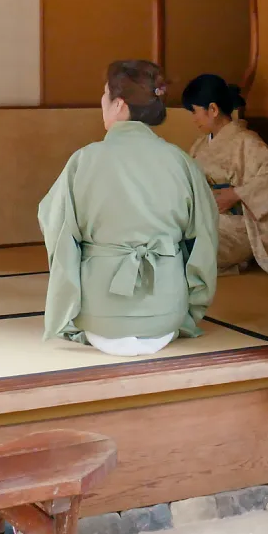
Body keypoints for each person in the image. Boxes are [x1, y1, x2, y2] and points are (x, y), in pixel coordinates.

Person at [38, 60, 218, 356]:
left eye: (105, 94)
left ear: (119, 104)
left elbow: (55, 227)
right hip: (165, 319)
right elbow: (206, 237)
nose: (102, 101)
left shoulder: (84, 160)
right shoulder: (181, 162)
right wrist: (191, 305)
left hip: (99, 321)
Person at [183, 73, 268, 275]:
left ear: (213, 109)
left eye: (195, 112)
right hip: (206, 217)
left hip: (237, 226)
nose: (193, 119)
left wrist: (237, 194)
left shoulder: (247, 141)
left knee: (186, 247)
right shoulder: (200, 144)